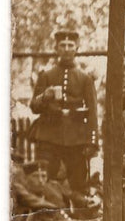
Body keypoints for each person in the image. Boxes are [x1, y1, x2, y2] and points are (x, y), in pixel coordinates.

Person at [28, 28, 97, 197]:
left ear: (76, 48)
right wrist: (45, 96)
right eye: (62, 45)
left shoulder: (85, 78)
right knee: (44, 181)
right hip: (49, 135)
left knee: (78, 184)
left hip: (76, 138)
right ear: (56, 48)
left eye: (70, 45)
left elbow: (93, 112)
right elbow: (34, 107)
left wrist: (91, 141)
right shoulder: (46, 75)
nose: (66, 49)